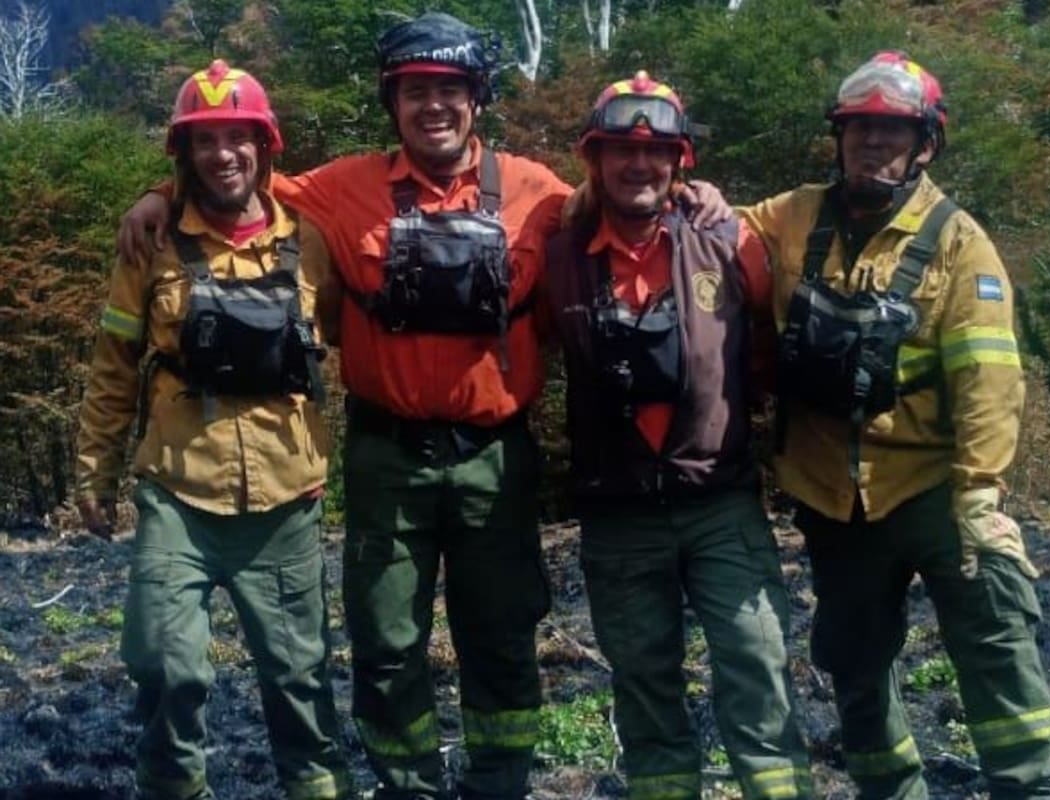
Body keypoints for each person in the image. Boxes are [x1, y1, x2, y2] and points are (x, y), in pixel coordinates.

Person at [118, 13, 730, 800]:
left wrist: (694, 188)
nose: (431, 106)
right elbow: (231, 179)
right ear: (392, 102)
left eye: (448, 90)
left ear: (476, 98)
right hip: (387, 458)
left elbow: (627, 202)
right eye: (413, 92)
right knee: (384, 643)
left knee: (502, 636)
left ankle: (499, 780)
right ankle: (405, 784)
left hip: (495, 457)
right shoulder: (340, 188)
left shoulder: (541, 195)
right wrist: (158, 193)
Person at [738, 51, 1050, 799]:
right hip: (833, 499)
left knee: (994, 648)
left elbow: (988, 378)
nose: (872, 144)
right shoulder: (793, 216)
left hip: (936, 491)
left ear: (925, 144)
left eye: (892, 131)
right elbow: (713, 230)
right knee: (853, 664)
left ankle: (1033, 786)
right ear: (839, 138)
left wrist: (980, 497)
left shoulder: (959, 242)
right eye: (859, 130)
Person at [75, 60, 350, 800]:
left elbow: (366, 347)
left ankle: (316, 788)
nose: (223, 154)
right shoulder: (150, 245)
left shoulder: (315, 243)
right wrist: (93, 471)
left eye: (239, 138)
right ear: (183, 153)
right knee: (167, 664)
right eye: (204, 141)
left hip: (288, 500)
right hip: (178, 493)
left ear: (265, 146)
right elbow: (113, 367)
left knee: (300, 678)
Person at [539, 71, 812, 800]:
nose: (640, 164)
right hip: (617, 511)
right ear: (592, 159)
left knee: (756, 664)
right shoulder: (557, 254)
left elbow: (770, 346)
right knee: (644, 684)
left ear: (681, 161)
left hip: (718, 500)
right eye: (620, 151)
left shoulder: (728, 241)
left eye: (658, 151)